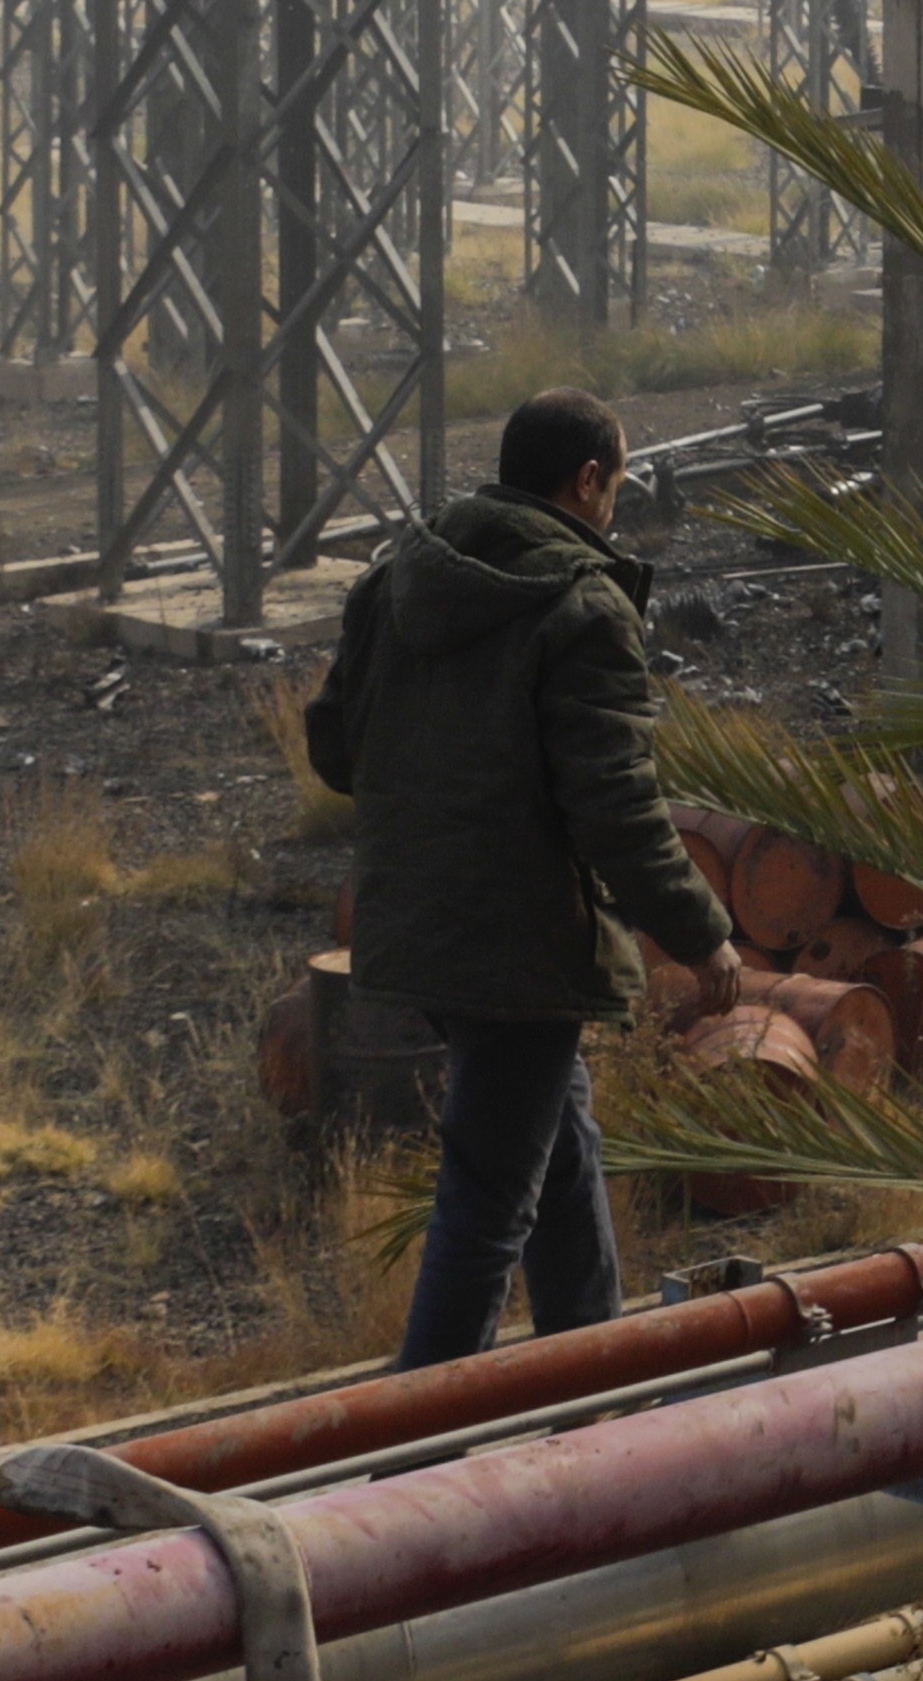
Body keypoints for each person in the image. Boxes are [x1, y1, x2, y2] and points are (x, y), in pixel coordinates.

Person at [298, 385, 736, 1371]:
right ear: (586, 481)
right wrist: (701, 930)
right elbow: (614, 803)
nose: (615, 504)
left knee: (558, 1132)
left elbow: (334, 747)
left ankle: (591, 1374)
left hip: (416, 925)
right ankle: (424, 1454)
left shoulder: (396, 580)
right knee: (488, 1207)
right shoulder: (584, 610)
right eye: (616, 483)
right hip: (522, 944)